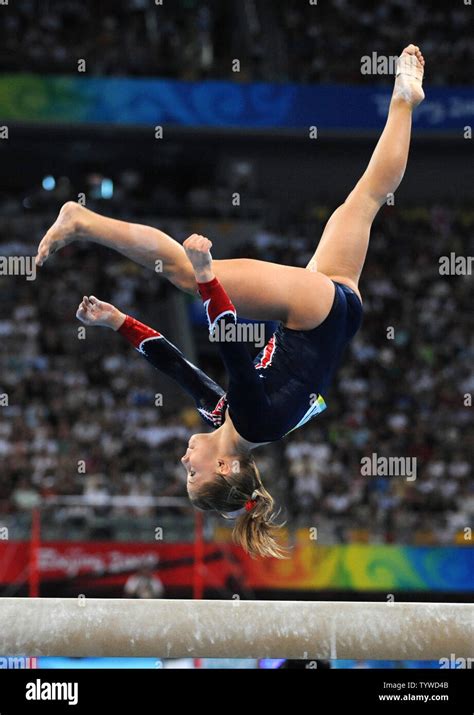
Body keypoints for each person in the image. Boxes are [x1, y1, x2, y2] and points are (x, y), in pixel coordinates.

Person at [36, 46, 425, 558]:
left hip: (336, 310)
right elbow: (235, 350)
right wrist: (206, 282)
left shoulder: (232, 419)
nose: (183, 460)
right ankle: (82, 220)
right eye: (192, 472)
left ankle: (403, 99)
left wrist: (119, 322)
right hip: (313, 314)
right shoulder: (253, 421)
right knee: (179, 270)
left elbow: (175, 365)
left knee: (366, 198)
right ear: (225, 468)